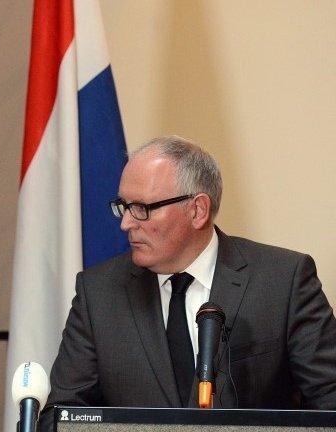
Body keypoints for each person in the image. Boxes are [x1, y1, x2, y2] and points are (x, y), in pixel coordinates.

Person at [42, 136, 336, 421]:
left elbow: (329, 400)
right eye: (123, 206)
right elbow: (61, 415)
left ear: (197, 210)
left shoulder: (283, 281)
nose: (126, 223)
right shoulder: (99, 293)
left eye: (142, 209)